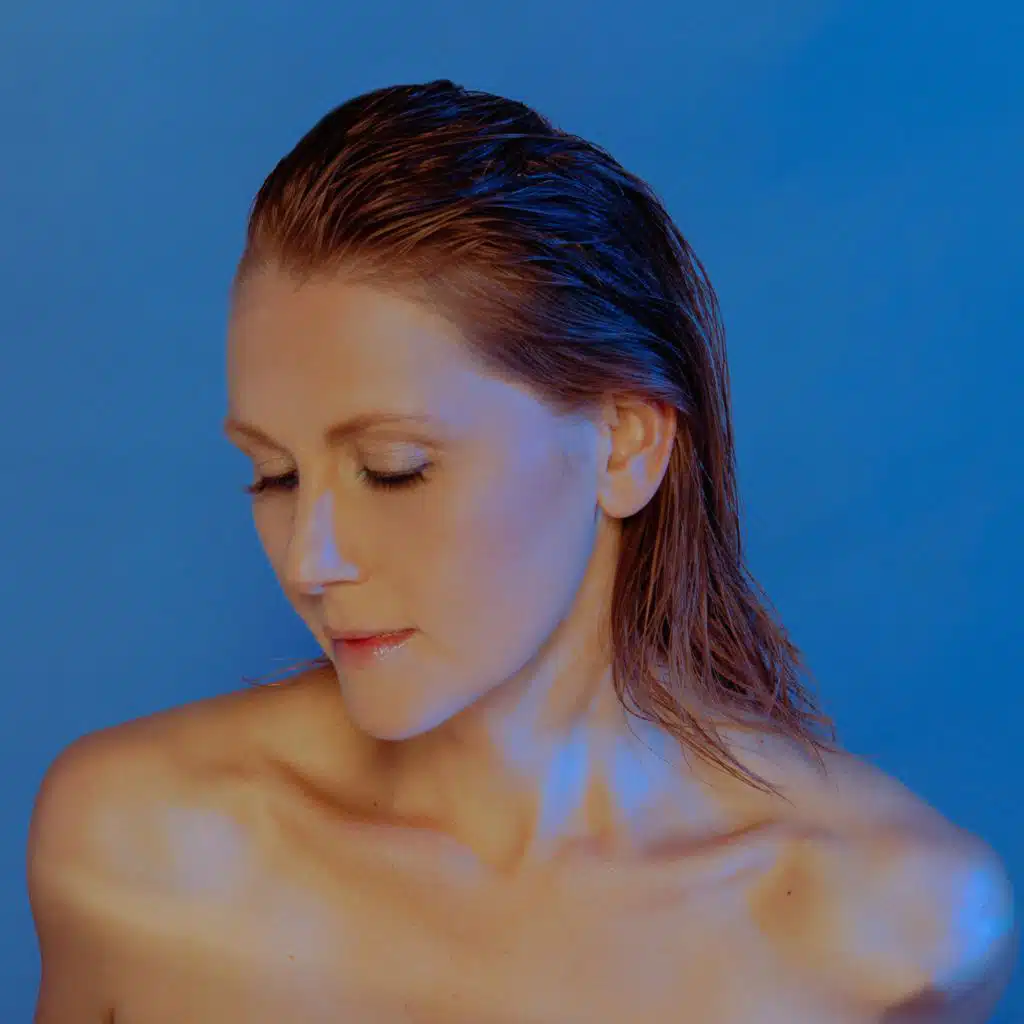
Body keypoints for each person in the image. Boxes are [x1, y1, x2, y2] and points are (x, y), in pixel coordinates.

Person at [28, 80, 1015, 1023]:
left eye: (393, 468)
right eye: (274, 475)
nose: (308, 561)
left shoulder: (901, 931)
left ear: (625, 446)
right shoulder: (133, 846)